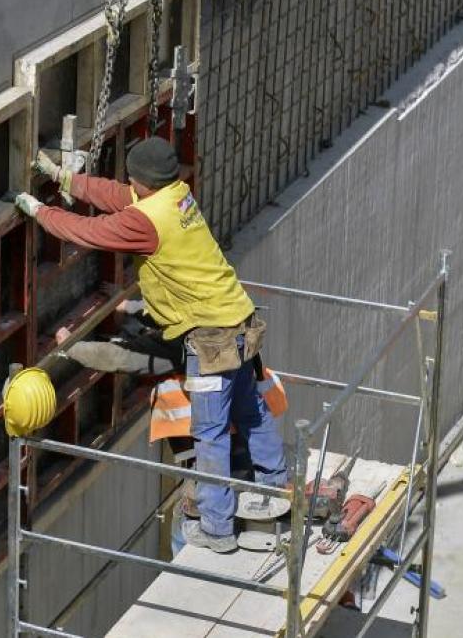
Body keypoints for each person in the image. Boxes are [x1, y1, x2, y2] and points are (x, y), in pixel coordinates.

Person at [15, 137, 287, 553]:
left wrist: (38, 210)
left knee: (210, 432)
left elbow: (87, 232)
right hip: (240, 321)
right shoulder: (177, 197)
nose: (128, 184)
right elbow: (116, 195)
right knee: (252, 411)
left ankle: (217, 529)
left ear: (142, 182)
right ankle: (274, 491)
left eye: (132, 179)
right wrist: (64, 177)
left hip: (210, 338)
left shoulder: (146, 222)